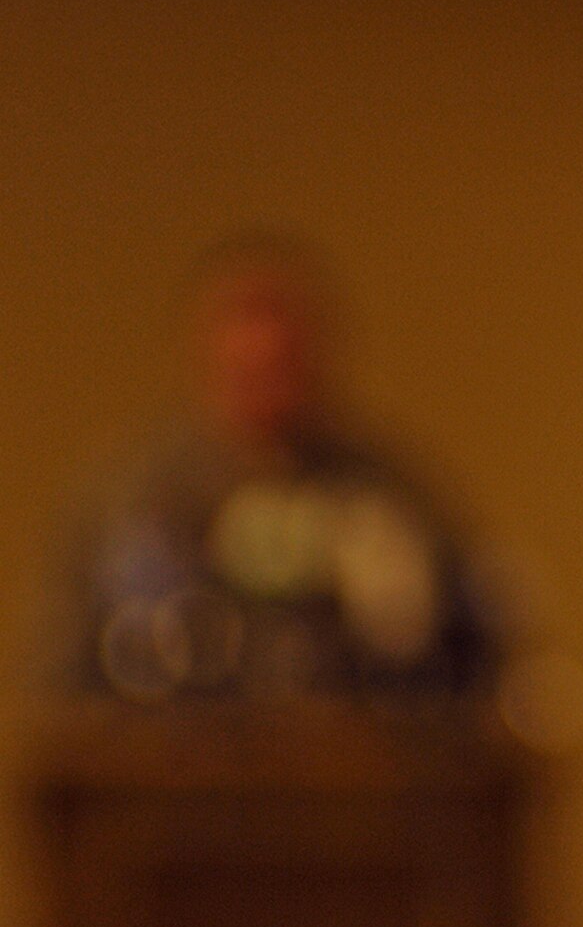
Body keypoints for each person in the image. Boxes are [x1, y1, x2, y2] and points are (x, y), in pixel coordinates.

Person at [46, 235, 498, 700]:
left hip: (353, 759)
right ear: (203, 350)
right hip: (171, 764)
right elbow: (62, 668)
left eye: (282, 345)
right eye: (241, 324)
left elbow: (469, 652)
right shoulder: (131, 499)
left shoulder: (390, 492)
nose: (261, 351)